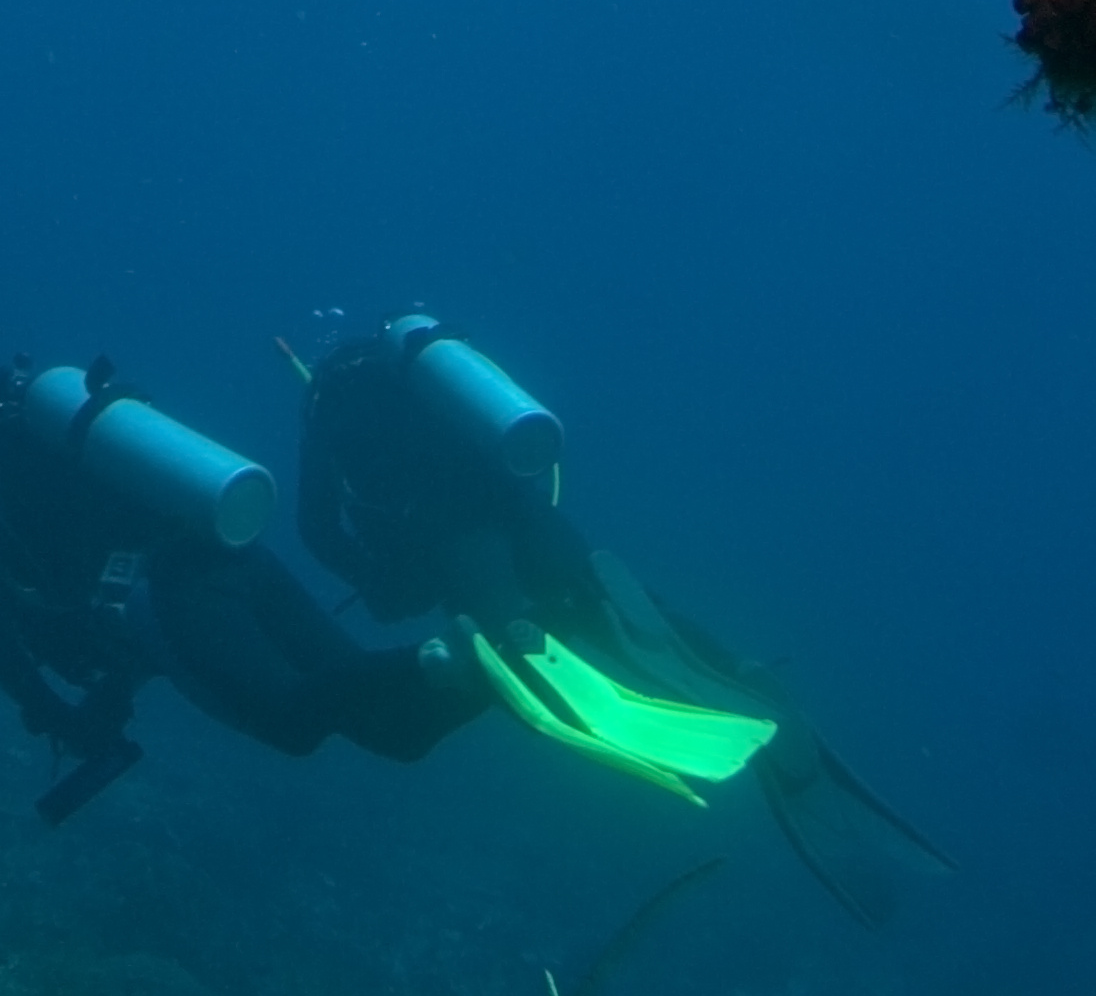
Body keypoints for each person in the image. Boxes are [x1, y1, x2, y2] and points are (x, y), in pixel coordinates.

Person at [298, 310, 946, 919]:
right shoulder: (429, 375)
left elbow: (316, 526)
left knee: (515, 639)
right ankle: (732, 666)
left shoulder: (329, 403)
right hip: (527, 509)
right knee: (611, 605)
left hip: (454, 536)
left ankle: (528, 631)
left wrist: (374, 581)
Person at [0, 345, 489, 824]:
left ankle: (432, 655)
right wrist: (113, 693)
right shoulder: (80, 466)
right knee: (395, 737)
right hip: (237, 556)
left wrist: (53, 714)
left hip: (180, 590)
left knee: (294, 722)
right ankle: (485, 670)